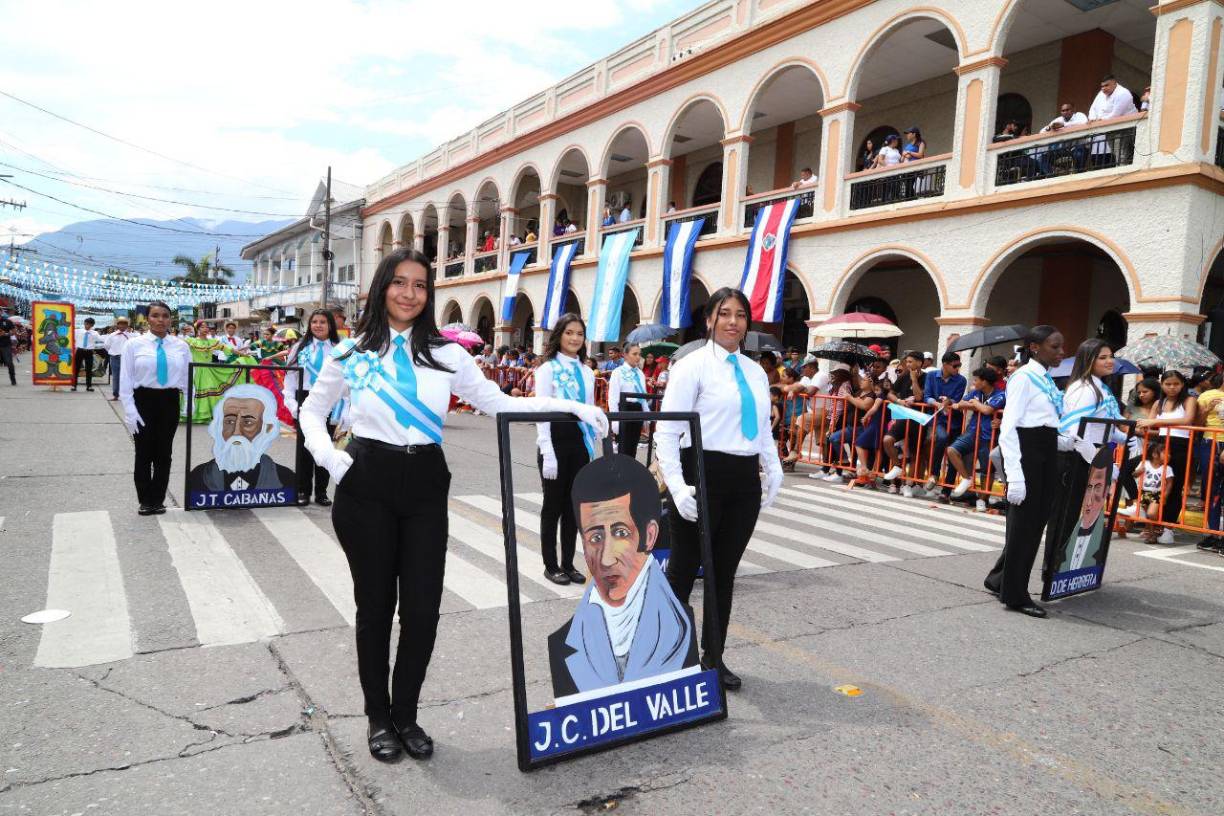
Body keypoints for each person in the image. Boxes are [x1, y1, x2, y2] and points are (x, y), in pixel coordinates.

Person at [297, 247, 606, 763]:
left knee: (422, 610)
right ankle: (378, 717)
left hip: (424, 483)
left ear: (429, 294)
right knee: (375, 609)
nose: (409, 293)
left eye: (420, 285)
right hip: (365, 481)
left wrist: (572, 407)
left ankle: (407, 714)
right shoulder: (349, 354)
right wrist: (329, 457)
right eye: (399, 283)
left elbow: (501, 404)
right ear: (381, 288)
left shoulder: (447, 354)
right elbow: (311, 411)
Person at [657, 287, 783, 691]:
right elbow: (667, 430)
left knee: (723, 573)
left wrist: (772, 465)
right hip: (701, 473)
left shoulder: (755, 371)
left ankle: (714, 657)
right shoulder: (691, 366)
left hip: (742, 478)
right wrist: (677, 487)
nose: (733, 322)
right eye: (724, 313)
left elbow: (762, 426)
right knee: (682, 568)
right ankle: (673, 654)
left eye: (740, 315)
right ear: (710, 319)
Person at [547, 455, 697, 698]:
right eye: (595, 538)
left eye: (620, 533)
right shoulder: (564, 645)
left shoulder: (680, 627)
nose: (606, 559)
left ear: (649, 536)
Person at [984, 325, 1083, 618]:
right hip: (1027, 455)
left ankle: (999, 578)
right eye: (1055, 347)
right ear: (1035, 347)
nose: (1062, 352)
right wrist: (1015, 476)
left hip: (1044, 450)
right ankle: (1014, 594)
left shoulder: (1046, 379)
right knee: (1025, 526)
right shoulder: (1024, 378)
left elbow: (1045, 423)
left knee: (1034, 522)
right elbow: (1010, 429)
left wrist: (1068, 442)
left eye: (1062, 346)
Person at [534, 314, 600, 586]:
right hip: (554, 442)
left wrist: (596, 440)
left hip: (579, 444)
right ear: (559, 335)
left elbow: (589, 408)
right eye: (569, 332)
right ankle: (551, 565)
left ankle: (568, 563)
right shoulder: (547, 369)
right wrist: (547, 450)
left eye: (579, 334)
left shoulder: (587, 371)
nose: (574, 338)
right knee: (552, 507)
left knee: (574, 507)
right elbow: (541, 410)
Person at [119, 301, 191, 516]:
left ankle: (157, 500)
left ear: (171, 319)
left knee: (164, 453)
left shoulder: (181, 346)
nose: (160, 320)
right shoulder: (134, 345)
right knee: (143, 453)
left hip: (169, 400)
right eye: (155, 315)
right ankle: (145, 500)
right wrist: (130, 409)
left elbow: (188, 378)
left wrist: (189, 403)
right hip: (143, 399)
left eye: (165, 316)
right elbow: (126, 379)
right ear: (147, 319)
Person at [186, 384, 295, 497]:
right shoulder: (199, 477)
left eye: (248, 422)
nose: (236, 432)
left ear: (267, 428)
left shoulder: (285, 480)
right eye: (230, 421)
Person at [283, 309, 344, 507]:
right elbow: (290, 377)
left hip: (330, 400)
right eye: (314, 322)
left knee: (326, 447)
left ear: (330, 325)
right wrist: (292, 404)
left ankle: (321, 492)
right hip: (305, 399)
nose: (318, 325)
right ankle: (302, 490)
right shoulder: (300, 346)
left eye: (323, 322)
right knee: (305, 448)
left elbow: (347, 379)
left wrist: (345, 410)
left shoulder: (339, 348)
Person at [1136, 370, 1196, 545]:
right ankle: (1151, 526)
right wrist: (1143, 428)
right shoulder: (1158, 403)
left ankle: (1167, 527)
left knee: (1174, 486)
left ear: (1183, 384)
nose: (1172, 387)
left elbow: (1188, 420)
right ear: (1161, 385)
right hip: (1160, 446)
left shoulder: (1189, 400)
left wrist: (1154, 423)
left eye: (1176, 384)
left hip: (1180, 447)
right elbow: (1151, 426)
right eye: (1168, 384)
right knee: (1150, 483)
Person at [947, 367, 1006, 500]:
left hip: (990, 436)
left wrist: (976, 404)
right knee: (952, 450)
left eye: (976, 380)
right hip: (972, 432)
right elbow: (960, 403)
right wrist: (975, 405)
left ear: (984, 382)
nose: (974, 382)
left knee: (987, 470)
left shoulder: (1000, 394)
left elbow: (987, 410)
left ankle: (982, 500)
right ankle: (966, 478)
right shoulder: (976, 392)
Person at [922, 351, 967, 498]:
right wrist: (936, 403)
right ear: (945, 365)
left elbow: (957, 399)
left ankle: (946, 492)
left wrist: (949, 401)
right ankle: (934, 474)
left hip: (955, 419)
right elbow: (927, 396)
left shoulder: (961, 380)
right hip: (938, 417)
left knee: (954, 451)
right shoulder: (931, 376)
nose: (957, 368)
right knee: (941, 437)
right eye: (955, 366)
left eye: (959, 365)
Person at [607, 343, 648, 460]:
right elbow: (613, 397)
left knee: (633, 446)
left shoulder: (640, 373)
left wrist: (646, 417)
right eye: (634, 354)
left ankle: (630, 473)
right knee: (624, 446)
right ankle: (621, 474)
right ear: (625, 355)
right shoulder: (618, 372)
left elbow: (643, 395)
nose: (638, 357)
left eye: (639, 354)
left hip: (638, 410)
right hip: (624, 409)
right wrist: (615, 420)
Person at [1133, 445, 1173, 544]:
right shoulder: (1145, 464)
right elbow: (1134, 474)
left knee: (1151, 513)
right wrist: (1139, 471)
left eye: (1169, 453)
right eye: (1165, 453)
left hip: (1157, 493)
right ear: (1154, 454)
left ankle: (1156, 530)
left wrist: (1165, 495)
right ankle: (1152, 534)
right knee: (1149, 516)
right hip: (1144, 493)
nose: (1168, 455)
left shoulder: (1166, 468)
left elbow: (1169, 483)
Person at [103, 317, 135, 400]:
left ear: (127, 325)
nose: (122, 325)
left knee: (127, 376)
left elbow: (133, 347)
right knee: (115, 376)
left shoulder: (131, 336)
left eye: (124, 324)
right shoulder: (112, 335)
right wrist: (113, 352)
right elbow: (106, 345)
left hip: (127, 359)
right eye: (120, 323)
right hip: (115, 358)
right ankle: (115, 394)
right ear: (117, 325)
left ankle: (127, 394)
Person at [72, 317, 99, 392]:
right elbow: (70, 335)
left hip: (89, 351)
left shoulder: (95, 333)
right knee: (76, 368)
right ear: (84, 323)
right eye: (86, 323)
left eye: (90, 324)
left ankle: (89, 386)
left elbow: (100, 340)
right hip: (80, 350)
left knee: (89, 369)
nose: (87, 325)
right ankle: (74, 385)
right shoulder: (78, 331)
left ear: (92, 325)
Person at [0, 306, 17, 385]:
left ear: (1, 312)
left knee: (9, 363)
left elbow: (14, 331)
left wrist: (6, 334)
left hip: (5, 344)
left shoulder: (7, 321)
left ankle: (13, 379)